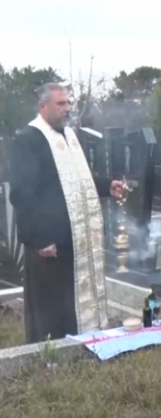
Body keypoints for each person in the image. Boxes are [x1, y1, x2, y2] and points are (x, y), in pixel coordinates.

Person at [9, 83, 126, 343]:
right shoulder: (27, 140)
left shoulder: (69, 135)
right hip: (48, 243)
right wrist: (38, 239)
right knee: (51, 309)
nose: (67, 109)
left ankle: (83, 343)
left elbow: (79, 180)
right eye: (60, 104)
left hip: (74, 240)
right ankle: (54, 357)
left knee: (71, 303)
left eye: (68, 103)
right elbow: (21, 193)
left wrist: (106, 185)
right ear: (42, 107)